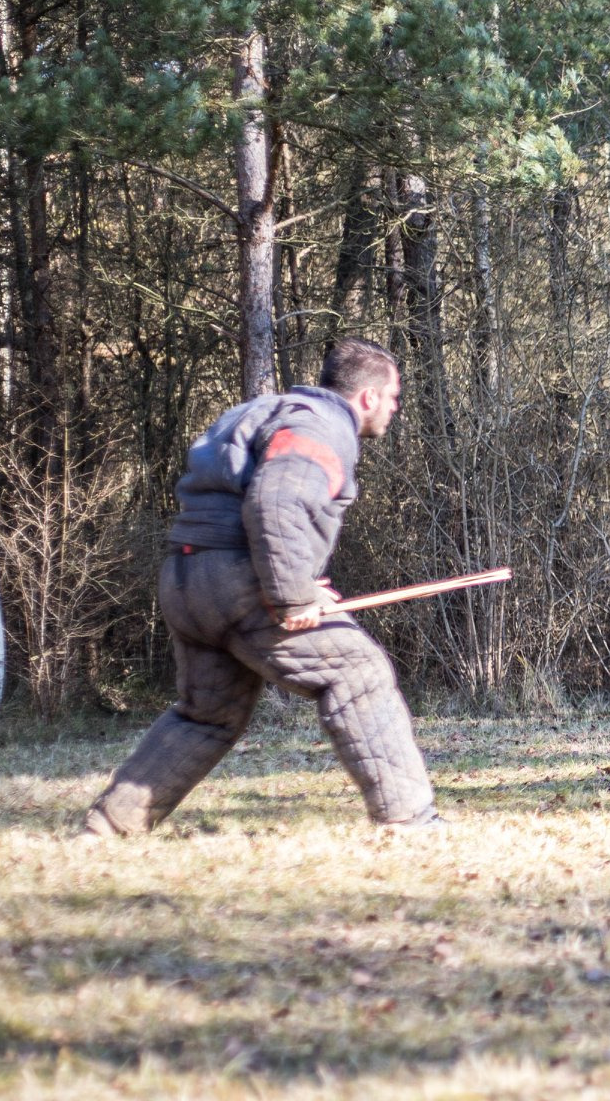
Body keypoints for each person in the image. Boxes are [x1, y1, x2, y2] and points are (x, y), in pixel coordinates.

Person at [84, 337, 443, 835]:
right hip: (239, 582)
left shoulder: (262, 411)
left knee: (207, 715)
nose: (395, 408)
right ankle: (410, 821)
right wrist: (292, 595)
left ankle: (107, 828)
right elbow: (275, 502)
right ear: (368, 397)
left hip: (187, 578)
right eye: (394, 397)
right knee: (358, 673)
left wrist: (301, 583)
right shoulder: (321, 425)